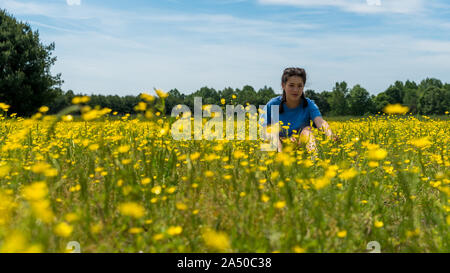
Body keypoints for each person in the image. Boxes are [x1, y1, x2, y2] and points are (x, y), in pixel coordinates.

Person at [260, 67, 340, 155]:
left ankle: (314, 160)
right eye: (291, 85)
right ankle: (280, 158)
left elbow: (320, 122)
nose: (296, 90)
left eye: (299, 86)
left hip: (300, 144)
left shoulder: (309, 104)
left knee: (307, 130)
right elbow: (264, 130)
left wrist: (330, 135)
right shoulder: (274, 104)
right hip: (277, 144)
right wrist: (284, 140)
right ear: (283, 85)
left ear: (303, 87)